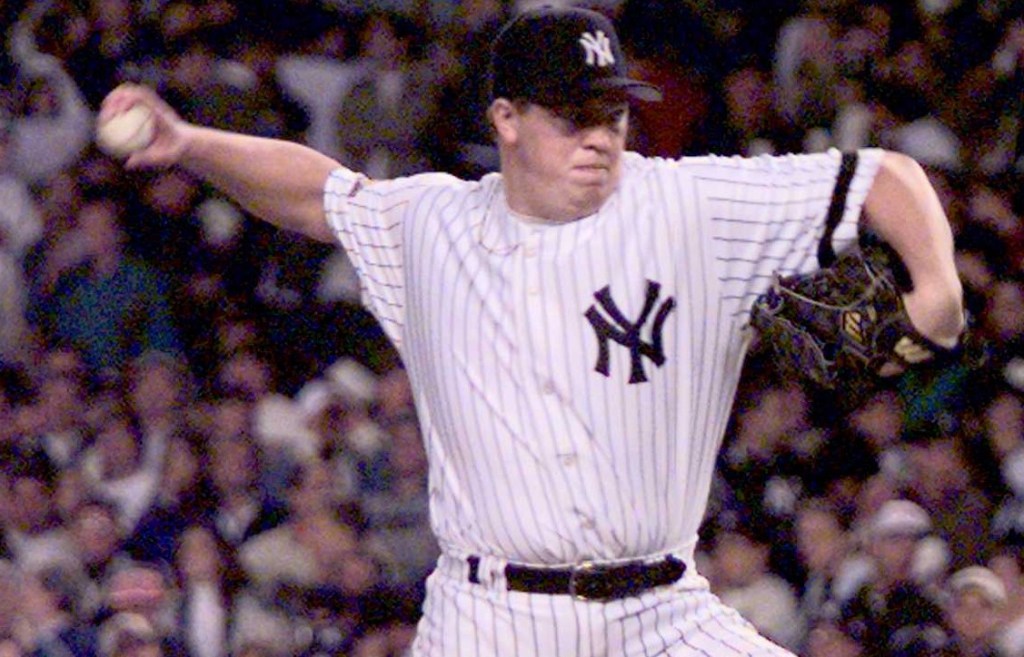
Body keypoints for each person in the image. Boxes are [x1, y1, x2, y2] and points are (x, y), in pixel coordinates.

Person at [98, 5, 965, 656]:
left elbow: (885, 177)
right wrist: (191, 142)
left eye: (612, 113)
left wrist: (938, 291)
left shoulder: (690, 204)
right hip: (493, 618)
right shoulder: (431, 224)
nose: (601, 138)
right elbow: (312, 195)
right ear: (506, 119)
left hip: (666, 610)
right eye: (572, 116)